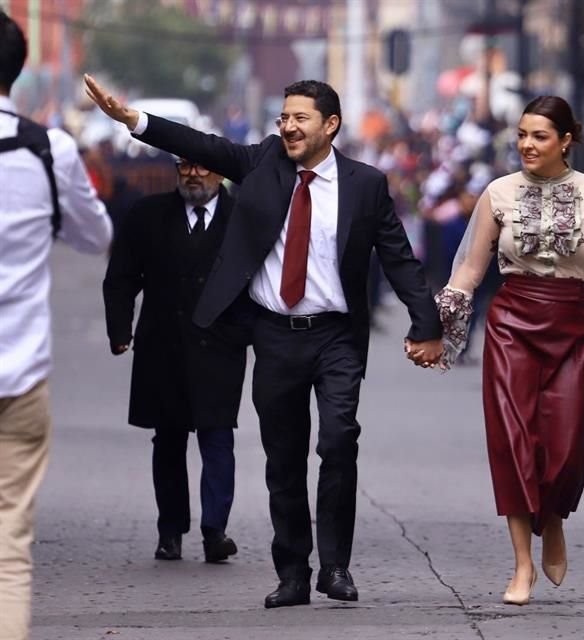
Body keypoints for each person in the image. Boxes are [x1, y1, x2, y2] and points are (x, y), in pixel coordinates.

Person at [84, 74, 443, 608]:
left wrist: (426, 325)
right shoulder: (263, 163)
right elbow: (200, 144)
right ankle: (293, 572)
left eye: (300, 118)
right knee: (284, 456)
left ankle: (335, 566)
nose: (289, 127)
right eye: (284, 118)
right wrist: (132, 119)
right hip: (275, 334)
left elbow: (399, 257)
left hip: (336, 336)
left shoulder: (365, 184)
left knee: (338, 440)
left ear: (330, 125)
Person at [435, 96, 584, 605]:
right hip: (511, 324)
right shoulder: (497, 193)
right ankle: (522, 564)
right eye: (521, 134)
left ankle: (553, 517)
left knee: (565, 447)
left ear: (566, 140)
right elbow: (469, 270)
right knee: (511, 441)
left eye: (539, 136)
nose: (526, 144)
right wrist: (437, 330)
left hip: (573, 325)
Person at [0, 12, 113, 640]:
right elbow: (95, 234)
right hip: (20, 378)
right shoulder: (49, 150)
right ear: (17, 71)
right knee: (8, 549)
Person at [103, 157, 250, 563]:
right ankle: (170, 530)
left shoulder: (243, 219)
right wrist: (120, 331)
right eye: (185, 166)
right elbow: (121, 277)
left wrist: (249, 333)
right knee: (168, 440)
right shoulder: (148, 215)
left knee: (218, 437)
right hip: (163, 346)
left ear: (221, 172)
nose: (193, 174)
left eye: (203, 167)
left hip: (220, 348)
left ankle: (215, 530)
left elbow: (261, 280)